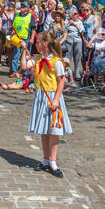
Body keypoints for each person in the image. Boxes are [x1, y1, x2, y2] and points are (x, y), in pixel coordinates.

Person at [28, 31, 70, 178]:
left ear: (45, 44)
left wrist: (56, 99)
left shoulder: (57, 62)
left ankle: (53, 161)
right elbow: (24, 66)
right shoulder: (37, 58)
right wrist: (23, 49)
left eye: (38, 42)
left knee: (54, 130)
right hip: (41, 96)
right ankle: (45, 159)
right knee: (44, 130)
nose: (35, 44)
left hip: (52, 96)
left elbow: (61, 81)